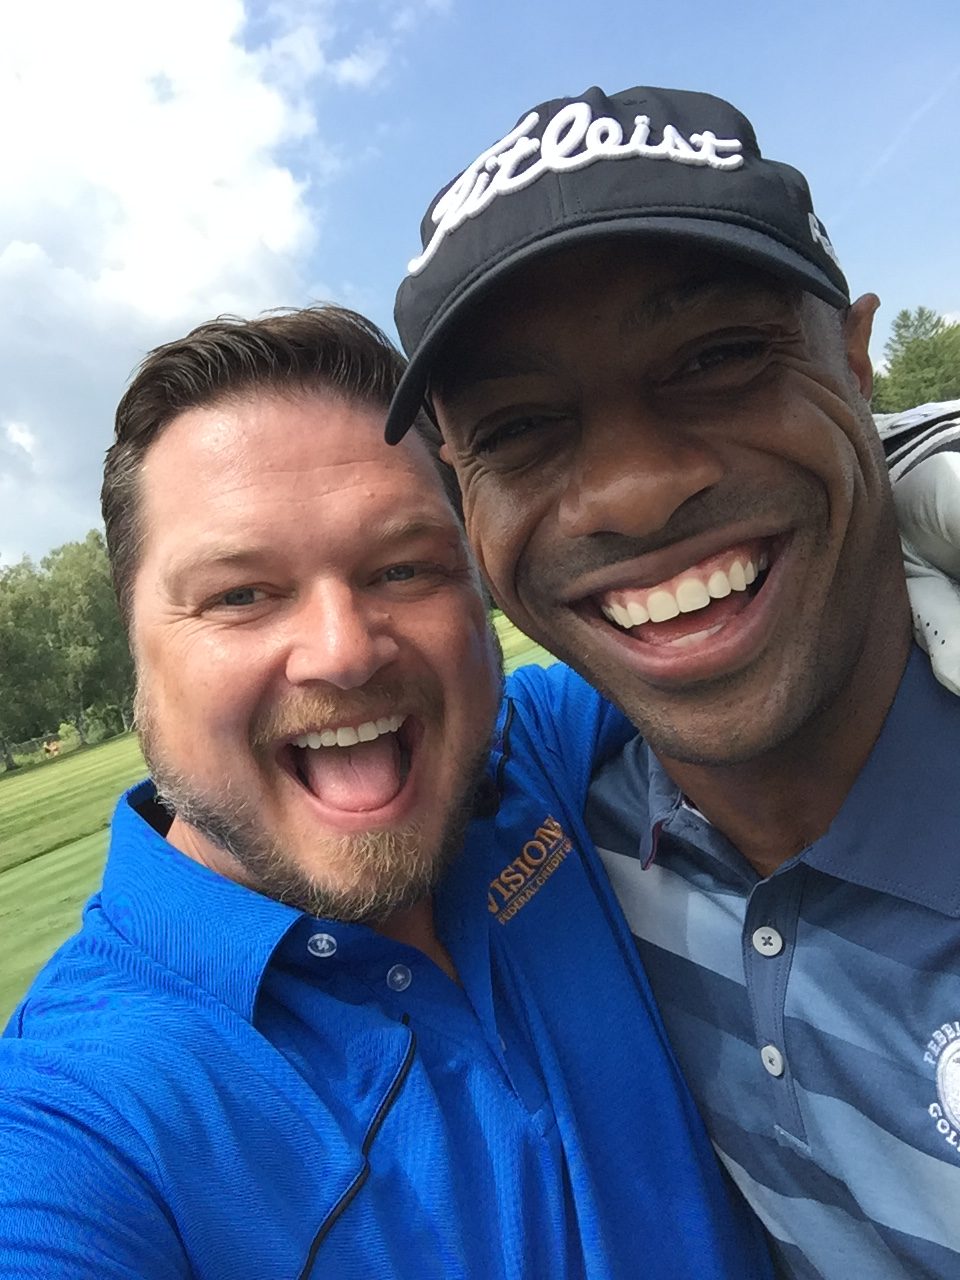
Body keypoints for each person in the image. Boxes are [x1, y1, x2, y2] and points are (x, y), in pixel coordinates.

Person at [0, 306, 772, 1278]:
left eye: (404, 568)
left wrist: (907, 477)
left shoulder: (529, 755)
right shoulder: (82, 1115)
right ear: (138, 658)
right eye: (240, 594)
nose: (344, 649)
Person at [385, 84, 960, 1278]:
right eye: (519, 426)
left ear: (857, 359)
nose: (637, 491)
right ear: (465, 503)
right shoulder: (555, 846)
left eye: (719, 357)